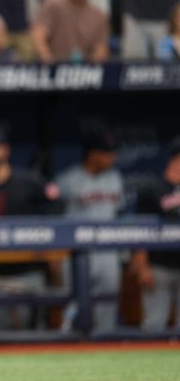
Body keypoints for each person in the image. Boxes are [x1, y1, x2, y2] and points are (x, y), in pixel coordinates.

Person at [0, 125, 63, 329]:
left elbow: (57, 207)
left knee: (33, 332)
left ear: (5, 150)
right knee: (0, 337)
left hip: (29, 270)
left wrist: (47, 245)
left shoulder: (28, 181)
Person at [55, 128, 124, 333]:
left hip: (108, 249)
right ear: (92, 154)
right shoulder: (67, 180)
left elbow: (119, 213)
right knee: (74, 298)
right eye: (106, 152)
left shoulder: (115, 178)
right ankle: (69, 338)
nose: (111, 157)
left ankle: (107, 338)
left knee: (109, 298)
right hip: (77, 251)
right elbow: (54, 217)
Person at [130, 137, 180, 331]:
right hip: (158, 265)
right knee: (154, 324)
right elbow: (139, 230)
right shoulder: (152, 189)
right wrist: (142, 266)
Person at [30, 0, 109, 63]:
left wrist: (93, 68)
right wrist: (49, 62)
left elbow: (100, 49)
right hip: (54, 65)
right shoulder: (52, 6)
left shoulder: (98, 16)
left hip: (84, 70)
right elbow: (38, 35)